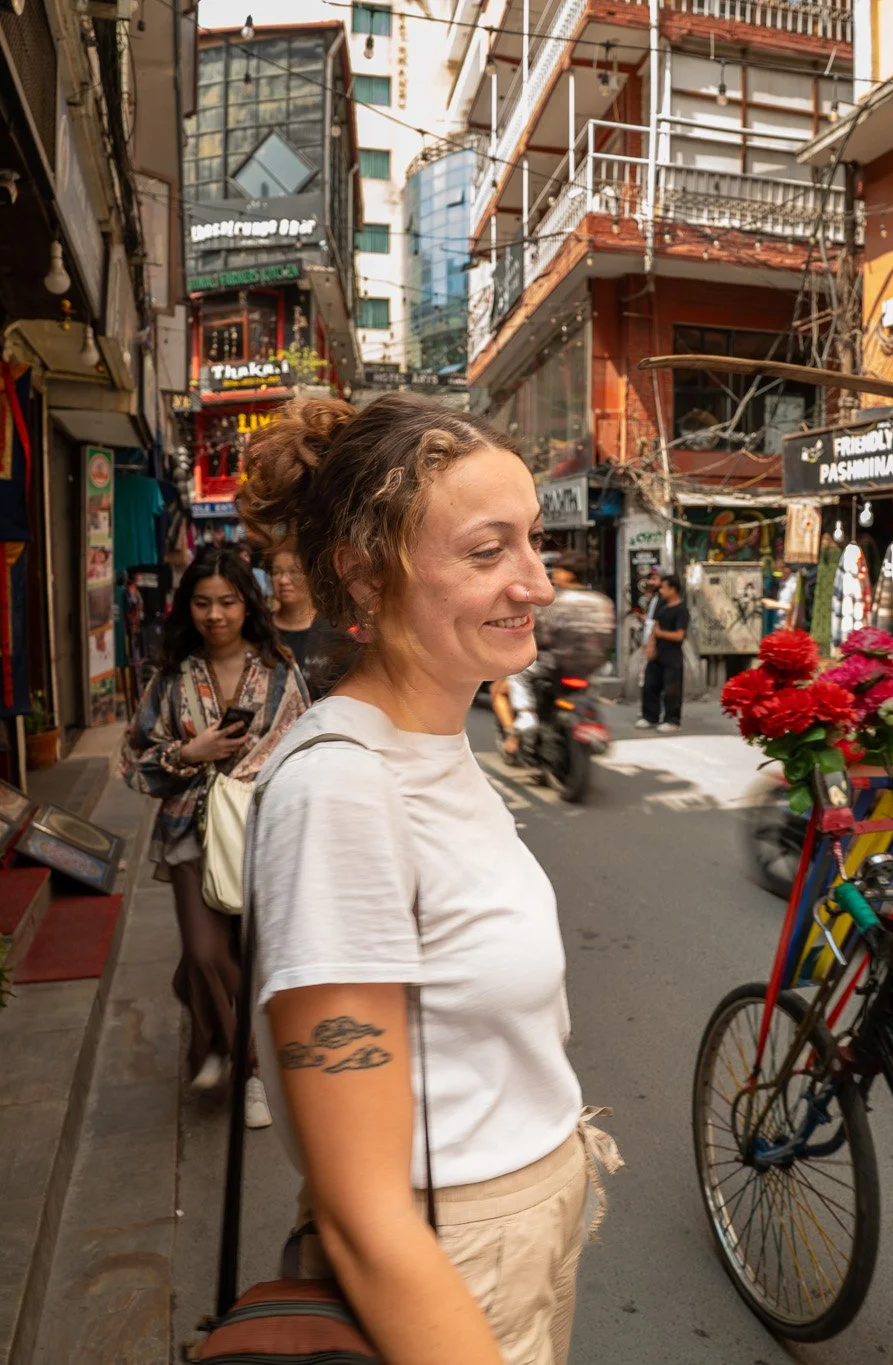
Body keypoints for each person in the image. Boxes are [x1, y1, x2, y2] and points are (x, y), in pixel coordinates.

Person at [238, 394, 619, 1365]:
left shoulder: (436, 743)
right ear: (364, 577)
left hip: (516, 1237)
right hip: (448, 1269)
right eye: (486, 552)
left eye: (531, 542)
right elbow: (363, 1214)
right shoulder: (342, 790)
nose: (533, 582)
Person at [122, 543, 309, 1130]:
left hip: (263, 833)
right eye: (202, 603)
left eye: (227, 601)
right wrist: (189, 753)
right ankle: (252, 1069)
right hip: (190, 833)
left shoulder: (277, 669)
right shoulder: (173, 676)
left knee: (251, 955)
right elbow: (133, 760)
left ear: (245, 602)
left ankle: (211, 1036)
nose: (215, 615)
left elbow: (306, 744)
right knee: (208, 952)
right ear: (188, 608)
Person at [493, 553, 616, 760]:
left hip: (555, 667)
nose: (555, 575)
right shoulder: (602, 602)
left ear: (568, 575)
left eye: (559, 571)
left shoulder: (554, 601)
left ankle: (525, 718)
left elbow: (540, 635)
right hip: (591, 668)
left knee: (508, 683)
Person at [268, 545, 351, 699]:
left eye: (294, 571)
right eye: (276, 572)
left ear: (311, 576)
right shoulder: (261, 629)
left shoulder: (334, 631)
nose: (283, 580)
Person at [637, 573, 687, 732]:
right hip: (657, 652)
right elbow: (654, 628)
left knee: (671, 689)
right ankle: (650, 716)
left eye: (664, 588)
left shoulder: (681, 610)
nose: (662, 591)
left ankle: (672, 720)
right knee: (650, 685)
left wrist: (660, 634)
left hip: (672, 655)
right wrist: (650, 646)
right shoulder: (662, 607)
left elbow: (680, 635)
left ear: (673, 589)